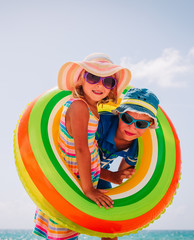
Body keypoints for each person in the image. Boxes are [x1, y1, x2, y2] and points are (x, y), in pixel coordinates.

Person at [33, 53, 131, 240]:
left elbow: (90, 151)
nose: (99, 85)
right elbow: (80, 150)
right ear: (80, 80)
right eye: (93, 77)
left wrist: (111, 175)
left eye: (108, 81)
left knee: (104, 230)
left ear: (112, 89)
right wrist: (88, 190)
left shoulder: (92, 109)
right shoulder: (79, 106)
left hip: (83, 179)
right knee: (64, 235)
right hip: (71, 186)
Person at [96, 87, 160, 240]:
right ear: (119, 114)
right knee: (67, 223)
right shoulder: (100, 123)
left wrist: (119, 175)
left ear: (150, 125)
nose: (132, 127)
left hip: (100, 175)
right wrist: (111, 176)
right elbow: (77, 156)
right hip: (71, 168)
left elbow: (122, 175)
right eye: (127, 119)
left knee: (111, 224)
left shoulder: (138, 147)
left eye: (141, 124)